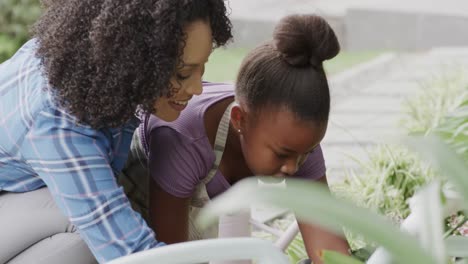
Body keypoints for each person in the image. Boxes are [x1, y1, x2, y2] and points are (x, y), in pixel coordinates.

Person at [0, 0, 232, 263]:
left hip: (16, 203)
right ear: (131, 59)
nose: (197, 88)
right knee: (85, 240)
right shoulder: (59, 125)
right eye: (182, 74)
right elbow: (128, 251)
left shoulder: (88, 68)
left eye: (202, 67)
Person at [121, 14, 350, 264]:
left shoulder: (294, 139)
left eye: (307, 152)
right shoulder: (182, 140)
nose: (294, 166)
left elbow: (330, 252)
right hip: (140, 201)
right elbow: (172, 256)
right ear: (240, 119)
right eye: (282, 154)